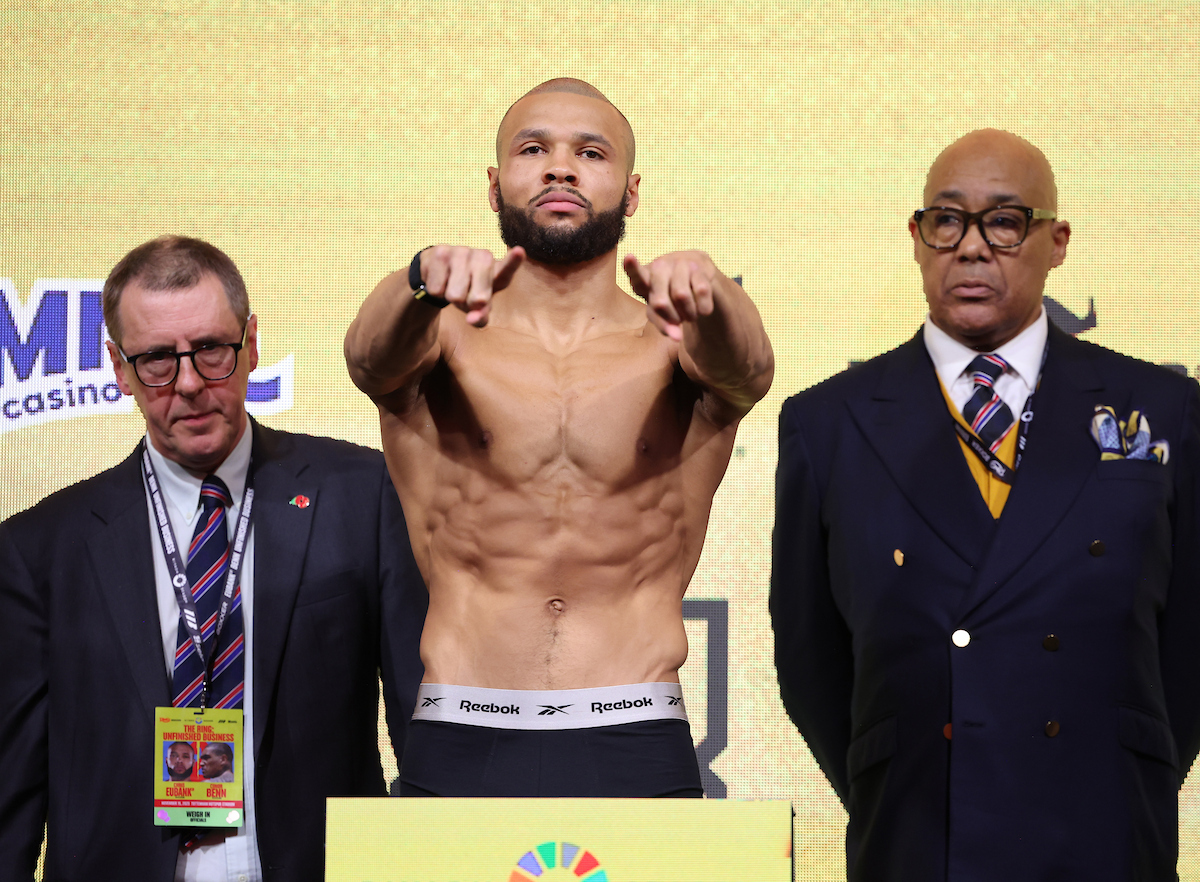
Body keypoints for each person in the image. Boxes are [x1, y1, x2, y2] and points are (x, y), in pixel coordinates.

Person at [770, 129, 1200, 880]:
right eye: (947, 220)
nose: (971, 248)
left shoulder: (1165, 408)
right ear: (916, 237)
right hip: (919, 835)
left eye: (1004, 222)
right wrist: (901, 776)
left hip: (1104, 831)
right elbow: (812, 661)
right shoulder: (829, 423)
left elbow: (1190, 645)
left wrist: (1129, 771)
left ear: (1056, 241)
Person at [344, 78, 773, 797]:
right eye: (533, 148)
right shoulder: (439, 336)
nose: (560, 168)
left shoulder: (677, 344)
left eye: (591, 152)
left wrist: (714, 290)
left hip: (633, 726)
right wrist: (418, 277)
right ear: (494, 184)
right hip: (462, 727)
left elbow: (750, 371)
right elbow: (367, 360)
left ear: (631, 192)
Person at [0, 236, 428, 882]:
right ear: (119, 370)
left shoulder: (362, 493)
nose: (192, 383)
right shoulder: (39, 549)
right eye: (158, 362)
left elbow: (422, 724)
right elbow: (12, 796)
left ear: (251, 344)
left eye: (211, 350)